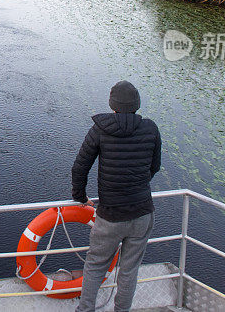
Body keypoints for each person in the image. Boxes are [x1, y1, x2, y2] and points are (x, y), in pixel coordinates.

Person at [71, 80, 161, 312]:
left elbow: (80, 167)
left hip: (110, 215)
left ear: (112, 105)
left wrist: (80, 196)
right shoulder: (150, 128)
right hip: (142, 212)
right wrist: (137, 186)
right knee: (129, 270)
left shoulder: (100, 129)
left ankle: (85, 310)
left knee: (95, 266)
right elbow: (154, 166)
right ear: (137, 105)